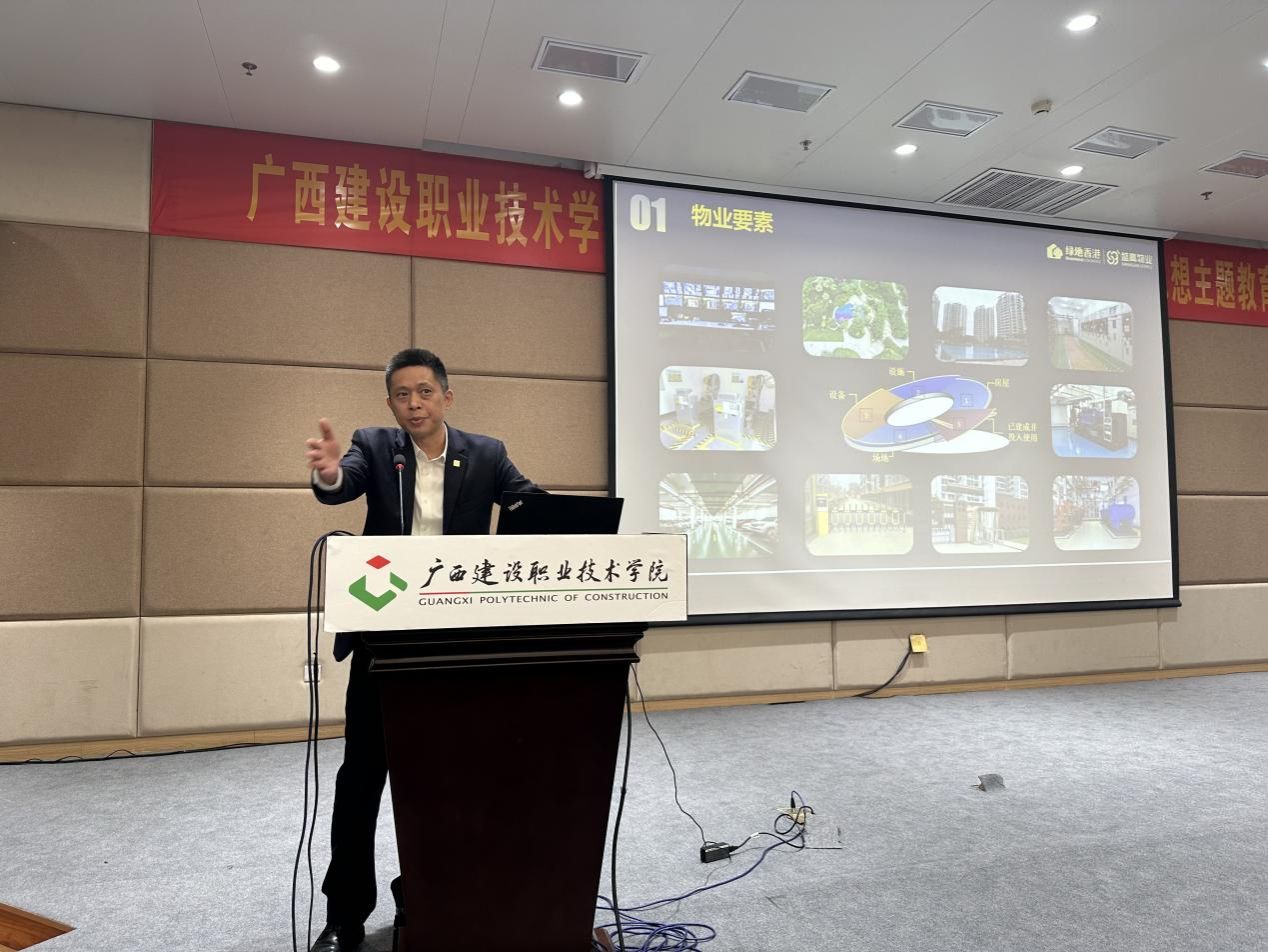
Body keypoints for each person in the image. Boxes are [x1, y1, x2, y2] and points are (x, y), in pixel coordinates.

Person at [303, 347, 541, 952]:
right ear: (390, 403)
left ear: (446, 397)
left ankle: (427, 891)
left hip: (456, 641)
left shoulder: (486, 453)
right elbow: (340, 486)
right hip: (384, 638)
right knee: (362, 779)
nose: (414, 404)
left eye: (425, 392)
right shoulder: (374, 445)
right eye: (402, 395)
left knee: (449, 779)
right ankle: (345, 915)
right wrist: (328, 474)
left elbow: (533, 509)